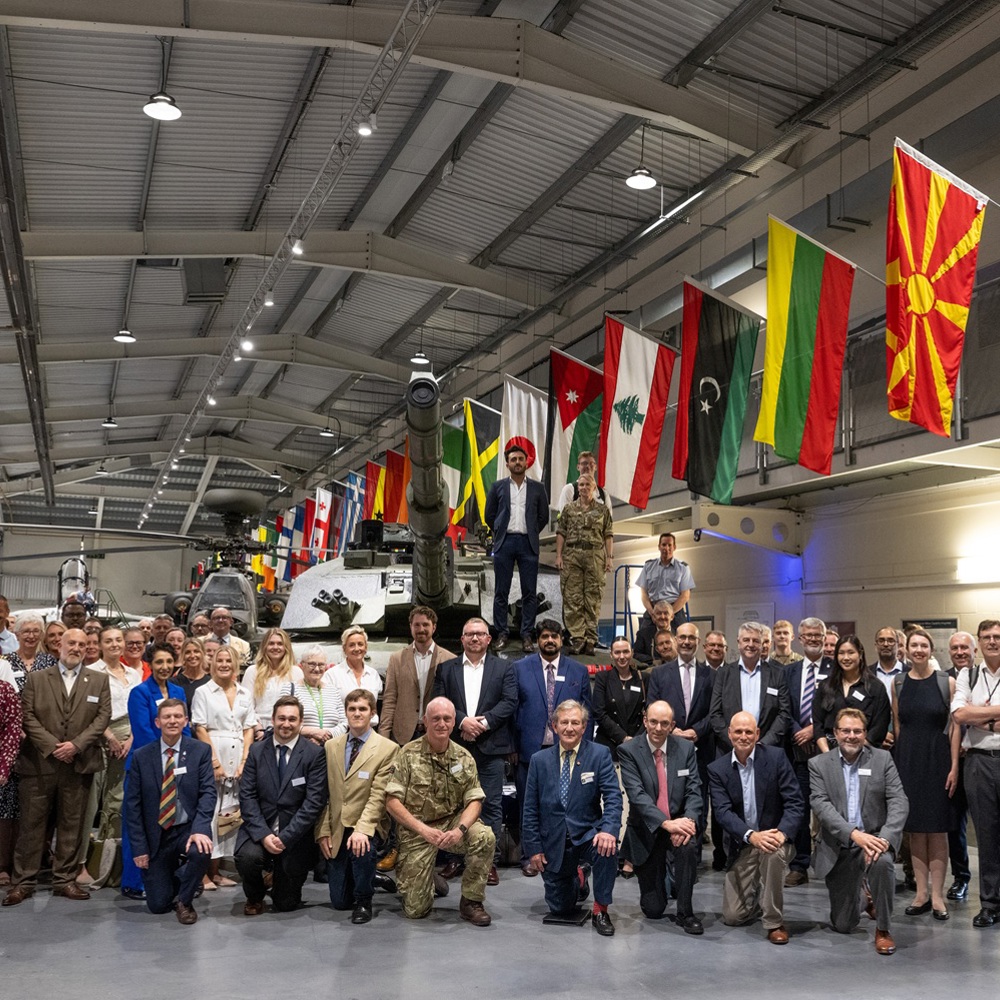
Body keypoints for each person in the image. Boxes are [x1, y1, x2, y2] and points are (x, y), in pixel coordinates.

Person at [2, 628, 111, 906]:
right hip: (39, 763)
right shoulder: (37, 679)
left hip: (79, 762)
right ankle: (23, 882)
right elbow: (26, 716)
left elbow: (102, 717)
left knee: (72, 825)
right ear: (58, 646)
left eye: (82, 644)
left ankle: (65, 880)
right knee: (31, 825)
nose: (76, 648)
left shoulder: (98, 680)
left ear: (88, 648)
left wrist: (75, 745)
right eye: (71, 643)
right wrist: (53, 746)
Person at [385, 697, 495, 925]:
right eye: (435, 718)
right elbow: (392, 801)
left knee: (484, 836)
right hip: (417, 829)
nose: (441, 724)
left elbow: (475, 800)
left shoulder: (464, 757)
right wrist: (423, 830)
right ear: (425, 721)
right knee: (416, 910)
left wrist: (461, 830)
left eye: (447, 718)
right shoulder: (407, 753)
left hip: (452, 824)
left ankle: (471, 902)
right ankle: (427, 878)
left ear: (454, 722)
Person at [809, 707, 908, 955]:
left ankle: (883, 929)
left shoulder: (882, 759)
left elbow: (899, 801)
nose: (851, 736)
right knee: (843, 924)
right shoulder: (818, 764)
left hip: (874, 842)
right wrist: (854, 835)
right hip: (840, 847)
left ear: (865, 733)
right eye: (846, 730)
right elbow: (821, 806)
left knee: (883, 863)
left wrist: (884, 838)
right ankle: (865, 897)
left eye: (857, 731)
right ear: (835, 733)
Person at [522, 700, 621, 936]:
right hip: (553, 842)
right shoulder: (539, 760)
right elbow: (530, 809)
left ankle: (600, 910)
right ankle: (580, 876)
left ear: (584, 726)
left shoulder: (599, 754)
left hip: (588, 835)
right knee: (561, 907)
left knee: (608, 850)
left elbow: (613, 797)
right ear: (554, 726)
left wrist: (608, 830)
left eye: (575, 722)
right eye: (564, 722)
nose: (569, 728)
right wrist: (534, 849)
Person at [432, 617, 517, 886]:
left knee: (490, 805)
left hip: (490, 748)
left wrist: (482, 723)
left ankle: (487, 862)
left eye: (480, 634)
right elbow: (439, 701)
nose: (475, 638)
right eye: (469, 634)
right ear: (462, 639)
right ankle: (454, 858)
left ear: (489, 639)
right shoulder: (446, 669)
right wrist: (461, 720)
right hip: (455, 747)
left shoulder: (504, 668)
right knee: (453, 805)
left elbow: (509, 701)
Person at [708, 711, 804, 944]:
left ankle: (774, 922)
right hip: (744, 843)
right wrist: (751, 836)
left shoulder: (776, 757)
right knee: (733, 916)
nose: (743, 736)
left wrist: (781, 833)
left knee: (771, 855)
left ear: (757, 734)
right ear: (729, 734)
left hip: (775, 839)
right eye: (738, 731)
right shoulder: (717, 769)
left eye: (748, 731)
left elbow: (795, 802)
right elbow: (722, 812)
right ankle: (760, 892)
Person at [124, 698, 216, 924]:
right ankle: (180, 881)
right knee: (157, 905)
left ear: (186, 720)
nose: (172, 721)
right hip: (157, 834)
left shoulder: (200, 751)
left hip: (187, 829)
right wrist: (139, 848)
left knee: (201, 850)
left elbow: (208, 794)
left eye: (177, 716)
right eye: (167, 717)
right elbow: (132, 806)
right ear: (157, 722)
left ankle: (184, 901)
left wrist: (201, 829)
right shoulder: (141, 756)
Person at [235, 695, 328, 915]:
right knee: (248, 859)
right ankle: (255, 896)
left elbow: (314, 802)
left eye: (292, 719)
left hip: (295, 835)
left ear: (301, 722)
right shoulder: (257, 751)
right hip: (260, 828)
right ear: (273, 720)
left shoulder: (314, 754)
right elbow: (247, 796)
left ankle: (277, 876)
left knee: (286, 904)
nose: (286, 724)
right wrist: (264, 834)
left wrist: (285, 837)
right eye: (281, 718)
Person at [512, 618, 591, 875]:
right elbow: (512, 709)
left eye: (554, 637)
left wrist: (585, 746)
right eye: (545, 636)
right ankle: (529, 856)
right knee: (529, 804)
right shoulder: (520, 668)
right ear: (538, 639)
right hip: (530, 750)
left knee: (566, 803)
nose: (549, 641)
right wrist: (513, 746)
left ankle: (566, 853)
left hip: (568, 749)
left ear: (561, 640)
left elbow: (588, 713)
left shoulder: (578, 671)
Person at [618, 700, 702, 934]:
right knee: (653, 909)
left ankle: (686, 912)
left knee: (687, 846)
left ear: (672, 725)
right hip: (648, 828)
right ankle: (667, 882)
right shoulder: (629, 751)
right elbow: (637, 796)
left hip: (678, 824)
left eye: (664, 723)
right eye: (653, 722)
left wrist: (689, 821)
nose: (657, 728)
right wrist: (667, 824)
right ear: (645, 721)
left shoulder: (685, 749)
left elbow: (694, 791)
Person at [891, 627, 958, 919]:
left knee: (938, 830)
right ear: (905, 650)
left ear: (931, 650)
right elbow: (897, 725)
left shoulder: (947, 683)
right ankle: (920, 894)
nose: (918, 650)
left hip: (939, 761)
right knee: (916, 830)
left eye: (923, 645)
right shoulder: (899, 683)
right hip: (909, 761)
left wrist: (954, 766)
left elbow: (955, 728)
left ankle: (938, 896)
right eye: (913, 645)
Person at [317, 688, 399, 923]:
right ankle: (373, 876)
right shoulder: (331, 746)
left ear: (372, 712)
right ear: (345, 713)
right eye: (352, 709)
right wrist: (322, 830)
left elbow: (378, 797)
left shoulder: (387, 749)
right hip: (337, 824)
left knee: (362, 849)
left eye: (362, 709)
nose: (357, 713)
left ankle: (364, 900)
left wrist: (363, 829)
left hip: (368, 824)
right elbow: (325, 794)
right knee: (340, 902)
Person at [121, 642, 189, 901]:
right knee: (137, 825)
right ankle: (133, 881)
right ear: (151, 664)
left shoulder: (178, 691)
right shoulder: (139, 693)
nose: (164, 667)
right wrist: (165, 759)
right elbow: (143, 732)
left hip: (176, 766)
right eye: (159, 662)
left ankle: (164, 877)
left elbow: (185, 727)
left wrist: (185, 756)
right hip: (146, 768)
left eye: (168, 662)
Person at [191, 645, 257, 890]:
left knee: (230, 813)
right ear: (212, 663)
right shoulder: (203, 692)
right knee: (210, 811)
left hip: (238, 752)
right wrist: (214, 762)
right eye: (220, 660)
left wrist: (244, 760)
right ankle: (202, 873)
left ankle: (217, 871)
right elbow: (200, 727)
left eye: (229, 660)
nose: (224, 664)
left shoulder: (244, 693)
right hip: (214, 750)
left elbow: (249, 727)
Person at [646, 622, 714, 851]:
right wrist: (671, 731)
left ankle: (691, 855)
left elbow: (715, 710)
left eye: (691, 638)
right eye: (682, 637)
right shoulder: (659, 674)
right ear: (676, 639)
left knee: (697, 799)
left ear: (698, 642)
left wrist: (696, 731)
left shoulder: (711, 675)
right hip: (668, 747)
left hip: (700, 747)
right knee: (669, 797)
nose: (686, 642)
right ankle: (665, 849)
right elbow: (652, 706)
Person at [82, 626, 141, 885]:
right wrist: (110, 737)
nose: (115, 644)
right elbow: (89, 711)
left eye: (119, 640)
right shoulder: (92, 672)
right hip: (99, 737)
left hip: (130, 737)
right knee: (92, 801)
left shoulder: (134, 674)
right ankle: (83, 863)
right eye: (109, 640)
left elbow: (141, 710)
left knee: (118, 802)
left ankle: (111, 865)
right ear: (100, 644)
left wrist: (131, 739)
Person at [0, 614, 57, 884]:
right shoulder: (6, 662)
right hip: (11, 743)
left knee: (34, 807)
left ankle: (33, 863)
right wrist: (16, 731)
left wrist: (37, 733)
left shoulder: (50, 663)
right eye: (26, 631)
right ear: (18, 634)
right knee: (7, 807)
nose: (31, 636)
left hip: (39, 744)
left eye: (36, 631)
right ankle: (4, 864)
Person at [951, 619, 1000, 927]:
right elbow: (959, 714)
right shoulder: (967, 673)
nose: (993, 641)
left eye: (997, 636)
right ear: (979, 643)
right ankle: (991, 904)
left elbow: (970, 714)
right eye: (987, 637)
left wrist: (980, 717)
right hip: (979, 762)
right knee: (987, 835)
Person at [484, 442, 549, 651]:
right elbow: (489, 515)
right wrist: (500, 531)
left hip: (528, 543)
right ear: (507, 463)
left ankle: (527, 636)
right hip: (505, 542)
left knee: (529, 592)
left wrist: (531, 531)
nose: (517, 462)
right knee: (501, 591)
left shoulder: (538, 488)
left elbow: (543, 517)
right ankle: (501, 634)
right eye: (513, 459)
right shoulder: (497, 487)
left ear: (526, 462)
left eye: (521, 459)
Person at [782, 616, 832, 887]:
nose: (813, 639)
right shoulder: (789, 672)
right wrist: (797, 730)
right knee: (799, 809)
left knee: (830, 810)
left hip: (829, 753)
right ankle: (799, 864)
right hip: (797, 753)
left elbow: (838, 706)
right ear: (800, 639)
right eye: (808, 635)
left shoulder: (836, 670)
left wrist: (815, 729)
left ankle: (832, 863)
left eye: (818, 635)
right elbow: (784, 707)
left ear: (824, 638)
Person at [592, 636, 645, 874]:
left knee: (635, 802)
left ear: (631, 652)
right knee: (611, 803)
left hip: (637, 749)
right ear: (611, 655)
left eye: (626, 651)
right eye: (617, 652)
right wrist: (623, 738)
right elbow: (599, 713)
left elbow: (647, 712)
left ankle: (629, 857)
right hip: (609, 747)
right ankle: (608, 854)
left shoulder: (642, 678)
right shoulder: (603, 678)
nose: (622, 656)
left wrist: (635, 741)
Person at [709, 621, 791, 753]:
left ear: (762, 644)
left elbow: (784, 713)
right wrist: (735, 742)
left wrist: (764, 743)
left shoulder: (777, 674)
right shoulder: (724, 674)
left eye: (756, 641)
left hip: (767, 749)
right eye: (746, 640)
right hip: (729, 749)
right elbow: (715, 713)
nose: (751, 645)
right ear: (738, 642)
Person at [379, 605, 455, 746]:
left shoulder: (450, 660)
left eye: (426, 624)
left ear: (434, 627)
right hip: (403, 735)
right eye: (417, 625)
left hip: (436, 733)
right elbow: (389, 700)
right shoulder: (397, 659)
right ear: (411, 626)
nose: (421, 629)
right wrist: (384, 736)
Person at [555, 472, 613, 655]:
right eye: (581, 485)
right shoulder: (569, 509)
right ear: (577, 488)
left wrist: (609, 557)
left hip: (595, 554)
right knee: (572, 597)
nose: (584, 488)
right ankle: (578, 638)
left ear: (594, 488)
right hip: (572, 554)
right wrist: (558, 555)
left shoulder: (602, 510)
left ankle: (590, 639)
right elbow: (561, 532)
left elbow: (608, 534)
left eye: (588, 485)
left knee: (593, 597)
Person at [813, 635, 891, 751]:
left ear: (860, 654)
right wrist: (828, 755)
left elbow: (879, 726)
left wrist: (853, 753)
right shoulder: (825, 686)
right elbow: (818, 724)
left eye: (851, 652)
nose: (846, 658)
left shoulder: (875, 687)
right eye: (841, 653)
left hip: (864, 753)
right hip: (828, 753)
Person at [945, 630, 975, 901]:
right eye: (955, 648)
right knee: (956, 824)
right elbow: (953, 718)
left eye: (965, 647)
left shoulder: (983, 677)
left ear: (973, 650)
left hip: (981, 758)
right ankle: (961, 877)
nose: (960, 652)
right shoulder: (944, 680)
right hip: (954, 762)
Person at [279, 645, 346, 745]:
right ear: (302, 665)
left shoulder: (333, 691)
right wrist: (313, 732)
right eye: (312, 664)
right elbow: (282, 721)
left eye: (321, 665)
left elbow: (344, 723)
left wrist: (327, 735)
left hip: (331, 748)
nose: (317, 669)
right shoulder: (290, 689)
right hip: (301, 748)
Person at [243, 628, 303, 735]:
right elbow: (246, 705)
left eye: (280, 644)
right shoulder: (252, 671)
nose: (275, 647)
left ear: (286, 647)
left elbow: (300, 705)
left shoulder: (296, 672)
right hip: (258, 729)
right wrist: (258, 729)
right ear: (265, 646)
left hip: (287, 728)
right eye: (271, 643)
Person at [326, 625, 382, 726]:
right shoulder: (332, 675)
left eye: (360, 644)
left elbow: (376, 706)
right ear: (344, 648)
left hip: (370, 730)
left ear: (366, 647)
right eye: (351, 645)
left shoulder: (373, 675)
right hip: (343, 731)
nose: (357, 649)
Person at [636, 532, 695, 626]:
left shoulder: (683, 568)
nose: (666, 548)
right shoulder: (648, 566)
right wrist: (652, 612)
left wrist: (670, 614)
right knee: (642, 637)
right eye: (663, 545)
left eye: (669, 545)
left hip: (675, 610)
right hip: (653, 609)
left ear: (674, 547)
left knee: (682, 637)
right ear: (659, 546)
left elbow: (685, 595)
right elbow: (643, 594)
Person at [872, 627, 907, 749]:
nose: (886, 644)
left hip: (905, 739)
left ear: (898, 645)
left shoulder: (911, 673)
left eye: (891, 640)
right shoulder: (866, 674)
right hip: (873, 741)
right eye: (881, 640)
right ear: (875, 645)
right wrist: (878, 735)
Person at [173, 637, 211, 710]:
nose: (192, 656)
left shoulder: (210, 683)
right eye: (188, 652)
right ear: (183, 655)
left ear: (203, 654)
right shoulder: (174, 682)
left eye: (196, 651)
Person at [633, 601, 674, 666]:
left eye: (666, 613)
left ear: (672, 616)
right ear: (654, 617)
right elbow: (636, 654)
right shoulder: (643, 634)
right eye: (659, 613)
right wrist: (653, 660)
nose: (662, 617)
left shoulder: (679, 634)